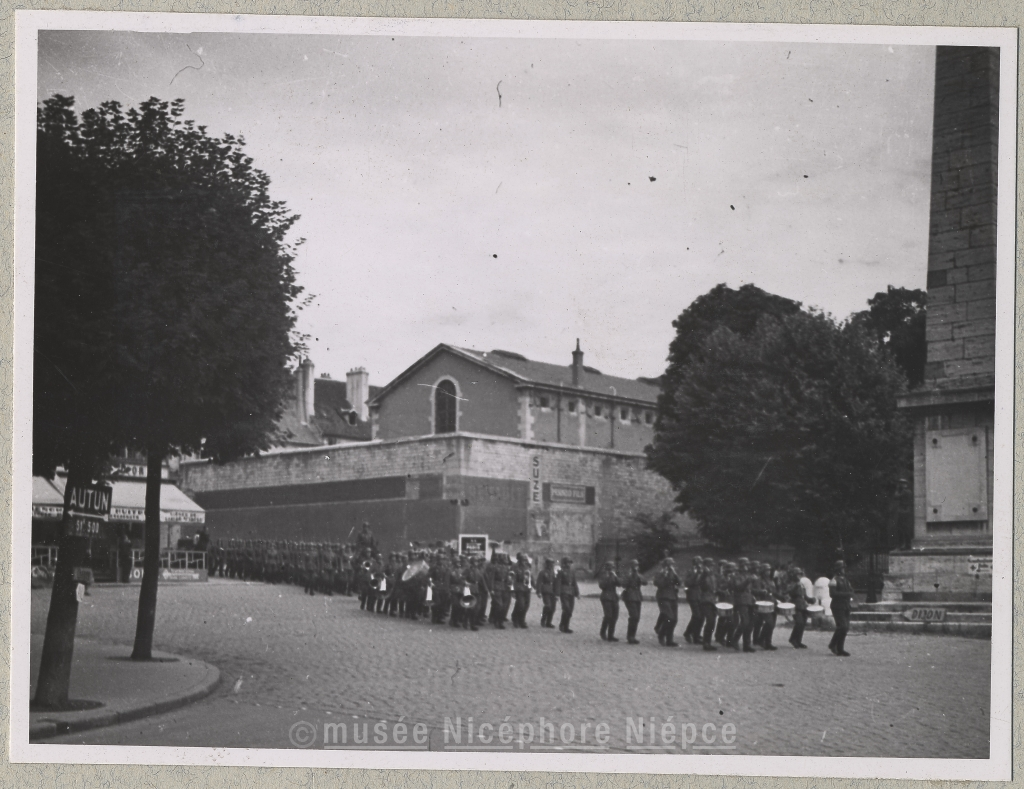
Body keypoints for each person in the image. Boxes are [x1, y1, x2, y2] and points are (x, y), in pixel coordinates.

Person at [730, 558, 757, 653]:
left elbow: (750, 589)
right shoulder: (736, 575)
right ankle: (734, 639)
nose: (747, 566)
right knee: (745, 621)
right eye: (745, 564)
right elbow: (738, 587)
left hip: (749, 600)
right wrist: (748, 581)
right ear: (741, 565)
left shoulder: (748, 575)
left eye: (747, 564)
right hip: (740, 600)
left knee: (750, 623)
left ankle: (747, 645)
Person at [828, 560, 854, 656]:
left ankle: (840, 648)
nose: (844, 570)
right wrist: (847, 594)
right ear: (838, 569)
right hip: (837, 605)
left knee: (845, 627)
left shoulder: (846, 580)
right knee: (842, 626)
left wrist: (849, 593)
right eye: (842, 568)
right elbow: (832, 594)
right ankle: (833, 644)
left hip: (846, 605)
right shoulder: (834, 580)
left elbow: (851, 590)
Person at [653, 557, 681, 646]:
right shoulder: (660, 572)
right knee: (669, 618)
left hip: (672, 596)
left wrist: (675, 574)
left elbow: (678, 583)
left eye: (672, 564)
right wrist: (664, 575)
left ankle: (669, 640)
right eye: (669, 564)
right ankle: (661, 634)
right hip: (663, 596)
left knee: (674, 619)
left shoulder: (673, 572)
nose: (671, 566)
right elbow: (659, 584)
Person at [621, 559, 646, 644]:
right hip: (629, 596)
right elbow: (623, 584)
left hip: (637, 596)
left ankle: (632, 636)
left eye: (637, 565)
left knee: (637, 617)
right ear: (631, 566)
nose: (636, 567)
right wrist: (630, 575)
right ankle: (630, 636)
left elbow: (645, 582)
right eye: (635, 565)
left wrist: (638, 575)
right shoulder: (628, 574)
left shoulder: (638, 575)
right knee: (634, 616)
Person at [787, 566, 813, 649]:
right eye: (797, 574)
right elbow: (789, 593)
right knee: (799, 622)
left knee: (803, 623)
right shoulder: (791, 583)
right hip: (795, 604)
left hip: (802, 604)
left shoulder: (801, 583)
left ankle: (798, 640)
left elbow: (804, 595)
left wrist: (810, 599)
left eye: (799, 574)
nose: (799, 575)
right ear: (793, 575)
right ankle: (793, 639)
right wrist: (796, 587)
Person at [597, 561, 622, 641]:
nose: (612, 569)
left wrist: (615, 576)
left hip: (614, 597)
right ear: (606, 567)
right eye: (610, 567)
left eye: (613, 567)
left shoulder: (613, 575)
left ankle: (611, 635)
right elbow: (602, 586)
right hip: (606, 596)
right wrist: (608, 577)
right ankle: (603, 631)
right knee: (608, 616)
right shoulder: (603, 575)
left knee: (615, 616)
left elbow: (619, 583)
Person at [682, 556, 704, 644]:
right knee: (697, 615)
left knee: (701, 616)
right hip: (693, 595)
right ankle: (688, 633)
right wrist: (696, 574)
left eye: (700, 562)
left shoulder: (702, 571)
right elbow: (688, 583)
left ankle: (696, 634)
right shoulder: (690, 571)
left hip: (700, 595)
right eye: (698, 563)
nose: (699, 564)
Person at [554, 557, 580, 633]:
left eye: (570, 563)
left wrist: (577, 593)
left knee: (570, 611)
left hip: (571, 592)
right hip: (564, 591)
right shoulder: (561, 572)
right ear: (564, 564)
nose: (569, 564)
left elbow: (574, 583)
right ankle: (562, 625)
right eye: (567, 563)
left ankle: (566, 626)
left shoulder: (572, 571)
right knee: (567, 609)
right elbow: (558, 583)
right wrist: (557, 594)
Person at [699, 557, 718, 651]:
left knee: (712, 622)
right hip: (705, 600)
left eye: (712, 565)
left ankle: (708, 642)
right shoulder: (703, 574)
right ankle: (706, 643)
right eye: (710, 565)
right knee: (710, 620)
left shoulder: (712, 575)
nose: (711, 567)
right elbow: (701, 584)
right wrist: (704, 574)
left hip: (713, 600)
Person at [511, 553, 532, 628]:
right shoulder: (514, 567)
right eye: (523, 560)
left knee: (526, 605)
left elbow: (530, 576)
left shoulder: (528, 566)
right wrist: (512, 590)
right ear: (519, 560)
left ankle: (522, 620)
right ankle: (516, 619)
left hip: (527, 587)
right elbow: (512, 578)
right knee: (520, 604)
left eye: (526, 560)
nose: (525, 561)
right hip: (519, 587)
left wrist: (534, 585)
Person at [536, 558, 558, 628]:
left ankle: (549, 622)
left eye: (552, 564)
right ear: (547, 564)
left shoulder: (554, 572)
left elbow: (557, 583)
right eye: (550, 564)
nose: (551, 565)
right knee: (548, 605)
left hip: (553, 591)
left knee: (553, 608)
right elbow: (539, 582)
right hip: (545, 590)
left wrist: (557, 593)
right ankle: (543, 619)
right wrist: (538, 592)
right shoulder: (542, 572)